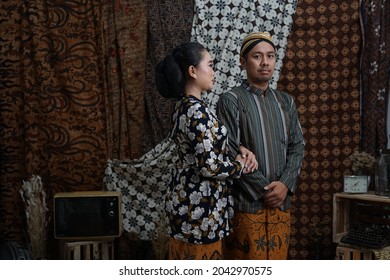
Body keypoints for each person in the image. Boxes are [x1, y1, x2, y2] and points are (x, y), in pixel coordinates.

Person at [154, 42, 258, 260]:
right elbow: (209, 166)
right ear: (192, 71)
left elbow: (205, 145)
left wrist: (237, 147)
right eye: (209, 65)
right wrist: (240, 165)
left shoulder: (189, 107)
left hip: (196, 209)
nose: (213, 72)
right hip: (196, 213)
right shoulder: (195, 111)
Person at [216, 31, 305, 260]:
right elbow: (229, 150)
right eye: (257, 56)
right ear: (243, 62)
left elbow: (297, 146)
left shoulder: (285, 101)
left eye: (270, 56)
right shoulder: (231, 100)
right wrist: (264, 191)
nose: (265, 62)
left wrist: (284, 185)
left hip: (280, 204)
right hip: (247, 205)